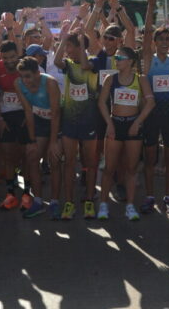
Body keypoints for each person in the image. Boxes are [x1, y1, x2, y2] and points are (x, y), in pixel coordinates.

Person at [97, 46, 155, 220]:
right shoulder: (110, 78)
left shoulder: (141, 79)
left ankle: (130, 206)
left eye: (120, 57)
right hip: (115, 124)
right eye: (115, 57)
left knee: (131, 169)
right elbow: (101, 102)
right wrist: (109, 123)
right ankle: (103, 204)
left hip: (133, 125)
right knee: (109, 168)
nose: (116, 60)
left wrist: (138, 122)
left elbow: (151, 103)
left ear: (130, 61)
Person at [140, 0, 169, 215]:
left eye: (168, 39)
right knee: (149, 158)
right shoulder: (149, 59)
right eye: (161, 39)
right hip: (151, 115)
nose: (166, 42)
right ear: (155, 43)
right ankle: (149, 196)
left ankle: (167, 196)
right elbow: (146, 34)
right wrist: (150, 6)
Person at [53, 25, 99, 220]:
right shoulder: (68, 65)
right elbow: (56, 61)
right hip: (70, 121)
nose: (68, 50)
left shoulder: (94, 62)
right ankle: (69, 202)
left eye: (71, 47)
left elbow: (87, 66)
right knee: (69, 163)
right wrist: (64, 38)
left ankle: (89, 200)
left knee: (90, 162)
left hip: (89, 121)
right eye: (67, 47)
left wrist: (81, 41)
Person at [14, 56, 61, 218]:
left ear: (37, 73)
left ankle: (55, 201)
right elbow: (28, 112)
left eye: (28, 76)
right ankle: (38, 201)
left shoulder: (50, 83)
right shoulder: (18, 83)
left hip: (56, 121)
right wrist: (32, 140)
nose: (24, 80)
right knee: (32, 157)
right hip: (38, 120)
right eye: (22, 76)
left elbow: (55, 114)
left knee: (54, 160)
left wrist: (53, 142)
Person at [0, 41, 29, 212]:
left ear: (18, 54)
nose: (9, 61)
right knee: (8, 155)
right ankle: (10, 193)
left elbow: (35, 91)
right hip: (6, 115)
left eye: (12, 57)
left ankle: (27, 193)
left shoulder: (26, 66)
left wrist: (30, 116)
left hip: (24, 115)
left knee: (25, 155)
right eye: (5, 57)